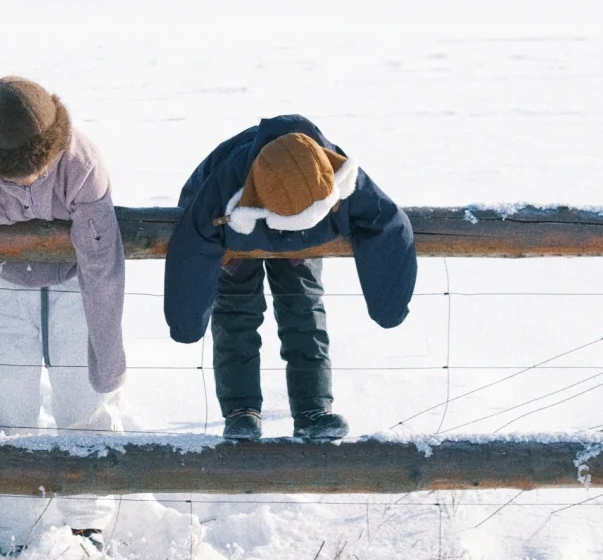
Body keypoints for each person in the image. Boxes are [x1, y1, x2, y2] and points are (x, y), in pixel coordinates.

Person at [0, 76, 126, 548]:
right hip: (2, 279)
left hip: (76, 279)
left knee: (84, 397)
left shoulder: (82, 162)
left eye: (42, 167)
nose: (34, 178)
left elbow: (103, 264)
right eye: (20, 173)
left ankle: (89, 520)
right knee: (8, 399)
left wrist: (107, 354)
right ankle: (12, 527)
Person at [164, 115, 416, 441]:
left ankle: (313, 409)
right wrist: (187, 323)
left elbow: (386, 222)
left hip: (308, 232)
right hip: (233, 229)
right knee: (237, 310)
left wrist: (389, 306)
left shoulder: (338, 170)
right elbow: (193, 242)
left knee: (303, 305)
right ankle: (241, 410)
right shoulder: (222, 187)